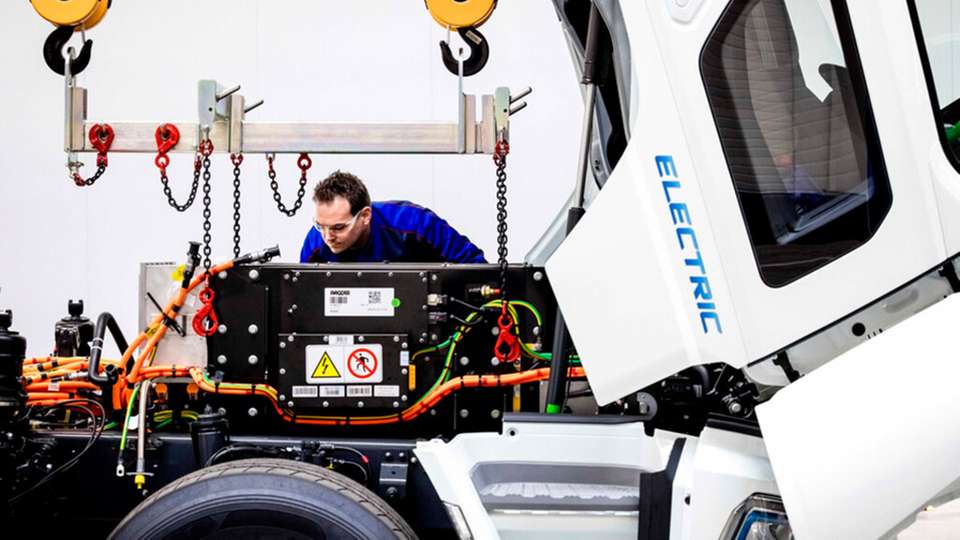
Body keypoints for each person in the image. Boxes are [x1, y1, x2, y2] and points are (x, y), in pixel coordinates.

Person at [300, 170, 487, 263]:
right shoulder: (315, 244)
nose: (327, 237)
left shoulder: (415, 224)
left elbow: (475, 266)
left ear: (365, 216)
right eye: (320, 226)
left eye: (338, 227)